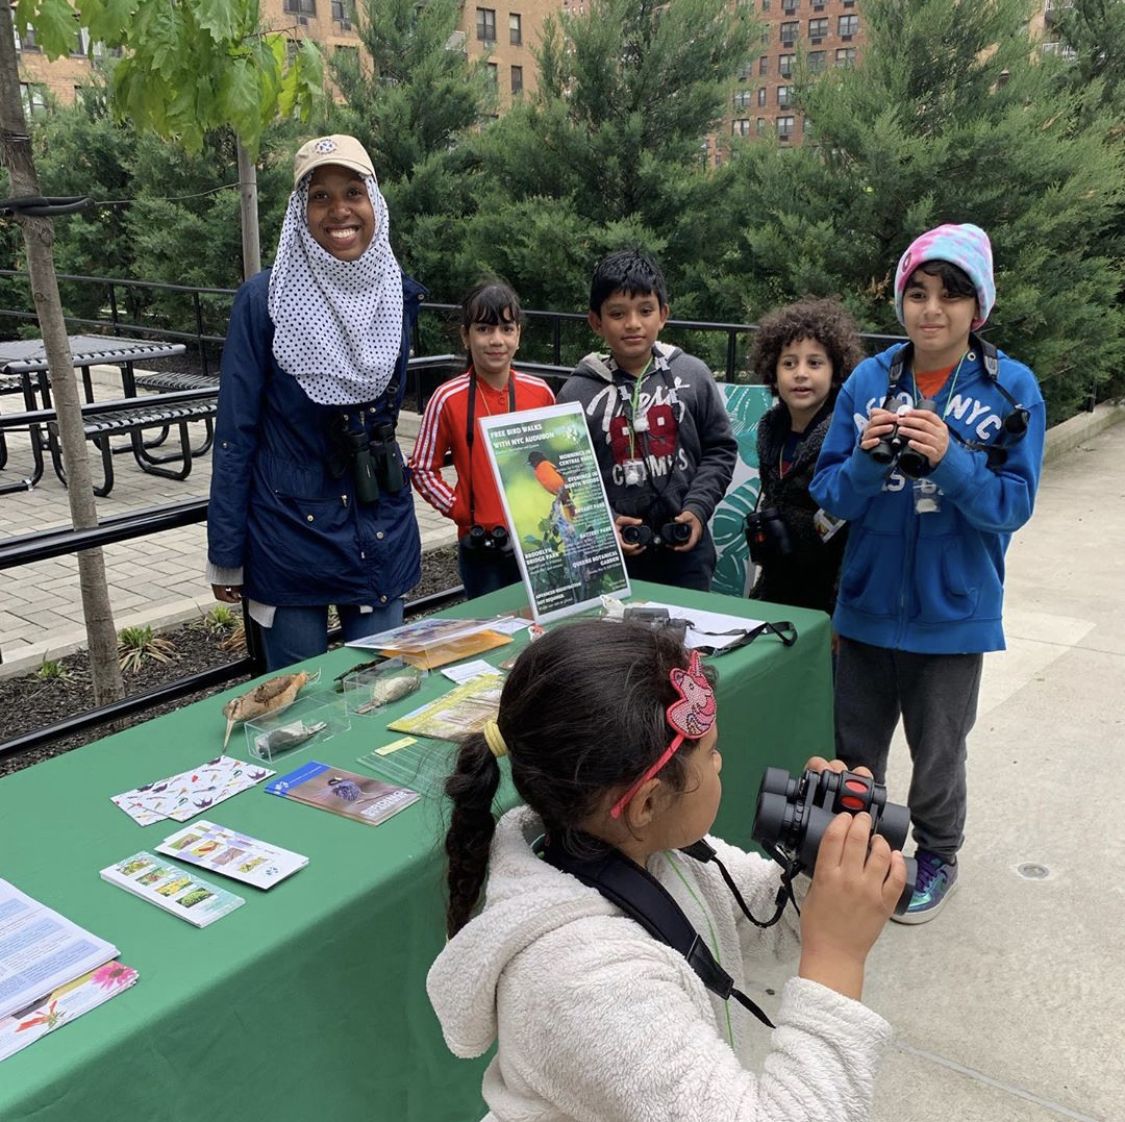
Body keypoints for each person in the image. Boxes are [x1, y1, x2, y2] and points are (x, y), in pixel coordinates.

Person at [428, 620, 905, 1122]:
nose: (721, 764)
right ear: (648, 802)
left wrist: (818, 859)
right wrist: (837, 958)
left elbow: (771, 922)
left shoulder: (651, 853)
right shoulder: (587, 986)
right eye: (712, 753)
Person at [810, 223, 1045, 923]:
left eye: (951, 294)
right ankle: (862, 854)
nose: (931, 309)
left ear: (980, 308)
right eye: (916, 292)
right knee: (855, 749)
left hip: (953, 614)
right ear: (899, 301)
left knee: (938, 751)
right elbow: (828, 497)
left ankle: (937, 855)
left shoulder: (1012, 389)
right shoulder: (867, 379)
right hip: (865, 604)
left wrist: (950, 458)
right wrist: (868, 458)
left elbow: (1012, 505)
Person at [206, 135, 426, 672]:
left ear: (375, 202)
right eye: (320, 196)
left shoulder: (398, 293)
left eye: (353, 191)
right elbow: (236, 432)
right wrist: (227, 555)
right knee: (295, 703)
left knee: (380, 692)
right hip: (288, 530)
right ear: (299, 211)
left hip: (378, 520)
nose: (339, 210)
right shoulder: (264, 301)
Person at [557, 250, 737, 591]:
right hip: (612, 558)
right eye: (617, 313)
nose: (633, 324)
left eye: (645, 310)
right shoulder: (575, 394)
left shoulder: (693, 375)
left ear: (663, 314)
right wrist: (603, 523)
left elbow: (720, 449)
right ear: (596, 321)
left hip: (686, 551)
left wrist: (698, 508)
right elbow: (569, 477)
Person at [409, 279, 555, 599]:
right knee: (490, 631)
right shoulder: (447, 398)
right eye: (484, 329)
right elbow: (421, 467)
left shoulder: (540, 393)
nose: (496, 340)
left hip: (535, 541)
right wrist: (460, 509)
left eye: (506, 329)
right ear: (466, 336)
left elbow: (557, 460)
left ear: (518, 335)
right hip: (480, 544)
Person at [748, 298, 865, 613]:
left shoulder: (845, 433)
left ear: (836, 370)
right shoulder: (771, 429)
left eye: (814, 363)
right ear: (772, 370)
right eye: (789, 363)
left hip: (829, 592)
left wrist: (843, 607)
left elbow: (851, 525)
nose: (800, 374)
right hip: (776, 585)